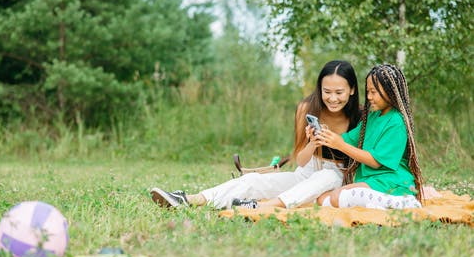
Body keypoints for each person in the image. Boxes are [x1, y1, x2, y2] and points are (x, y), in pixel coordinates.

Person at [150, 60, 361, 209]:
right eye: (327, 92)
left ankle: (266, 207)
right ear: (319, 88)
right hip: (306, 172)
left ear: (352, 90)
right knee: (254, 181)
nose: (332, 98)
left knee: (328, 175)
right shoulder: (307, 107)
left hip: (337, 176)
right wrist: (313, 143)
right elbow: (301, 160)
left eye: (339, 92)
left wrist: (338, 143)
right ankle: (190, 199)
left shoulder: (361, 117)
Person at [244, 64, 423, 210]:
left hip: (390, 181)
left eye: (373, 92)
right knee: (324, 198)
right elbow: (347, 139)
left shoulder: (396, 122)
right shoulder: (373, 117)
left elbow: (375, 161)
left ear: (390, 92)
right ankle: (377, 205)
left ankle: (403, 202)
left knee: (340, 195)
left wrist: (340, 145)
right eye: (367, 91)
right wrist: (322, 135)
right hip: (371, 181)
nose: (368, 97)